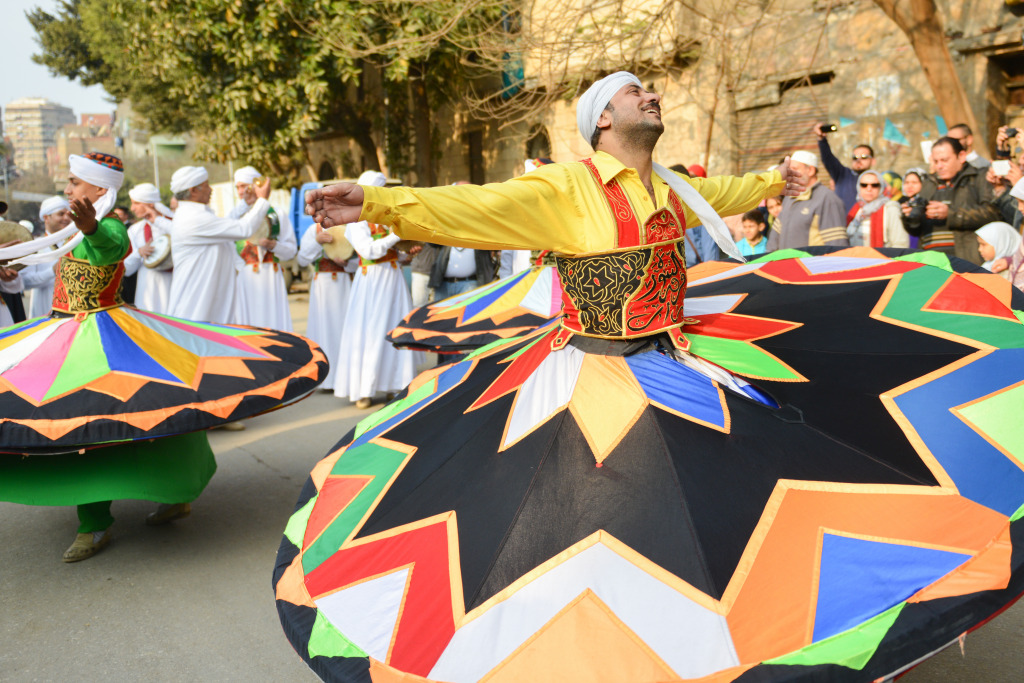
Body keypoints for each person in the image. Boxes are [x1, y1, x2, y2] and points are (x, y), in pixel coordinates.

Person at [0, 152, 329, 563]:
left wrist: (92, 229)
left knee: (154, 413)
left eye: (74, 182)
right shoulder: (71, 232)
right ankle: (96, 517)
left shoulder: (111, 227)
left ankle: (159, 500)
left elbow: (112, 250)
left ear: (99, 189)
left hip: (108, 336)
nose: (67, 189)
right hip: (65, 332)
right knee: (84, 428)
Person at [334, 171, 419, 409]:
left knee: (394, 328)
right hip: (371, 282)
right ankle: (365, 390)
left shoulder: (385, 217)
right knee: (370, 332)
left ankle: (395, 385)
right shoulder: (355, 220)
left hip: (393, 277)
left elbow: (391, 250)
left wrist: (406, 253)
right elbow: (369, 251)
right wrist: (395, 237)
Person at [166, 166, 271, 324]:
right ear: (193, 190)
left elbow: (225, 226)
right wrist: (262, 200)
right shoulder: (192, 218)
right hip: (195, 307)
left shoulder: (197, 214)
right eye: (207, 185)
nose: (211, 189)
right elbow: (244, 229)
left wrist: (245, 204)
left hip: (206, 304)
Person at [902, 136, 1000, 265]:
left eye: (944, 160)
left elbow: (993, 214)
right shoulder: (928, 183)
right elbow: (916, 230)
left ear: (961, 156)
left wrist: (951, 215)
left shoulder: (978, 178)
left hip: (966, 260)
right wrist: (910, 218)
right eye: (936, 161)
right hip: (931, 262)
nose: (939, 166)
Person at [230, 166, 296, 331]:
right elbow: (228, 248)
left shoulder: (276, 214)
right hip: (245, 280)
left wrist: (274, 246)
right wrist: (242, 269)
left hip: (271, 277)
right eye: (238, 187)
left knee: (273, 324)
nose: (240, 191)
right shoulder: (235, 216)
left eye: (244, 186)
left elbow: (291, 250)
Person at [296, 222, 356, 391]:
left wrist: (346, 264)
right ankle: (327, 379)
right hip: (322, 285)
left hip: (345, 284)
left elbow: (361, 260)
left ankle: (347, 378)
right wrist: (317, 242)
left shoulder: (351, 228)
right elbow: (302, 259)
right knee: (325, 330)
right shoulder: (313, 230)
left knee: (345, 330)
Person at [767, 150, 849, 250]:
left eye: (794, 169)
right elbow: (774, 237)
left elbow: (837, 244)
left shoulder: (827, 199)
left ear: (811, 170)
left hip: (811, 264)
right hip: (787, 264)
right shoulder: (790, 197)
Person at [122, 183, 174, 314]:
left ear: (150, 205)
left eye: (136, 203)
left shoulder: (174, 223)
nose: (132, 208)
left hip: (174, 284)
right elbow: (127, 269)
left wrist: (158, 220)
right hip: (147, 290)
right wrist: (139, 253)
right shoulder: (135, 230)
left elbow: (184, 237)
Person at [21, 196, 71, 318]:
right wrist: (52, 271)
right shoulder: (35, 246)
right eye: (61, 214)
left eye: (68, 214)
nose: (66, 218)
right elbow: (25, 282)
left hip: (72, 311)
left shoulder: (74, 243)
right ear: (46, 217)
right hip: (44, 310)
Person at [813, 123, 876, 212]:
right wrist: (822, 139)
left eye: (864, 157)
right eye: (855, 158)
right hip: (844, 223)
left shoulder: (878, 180)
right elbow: (828, 158)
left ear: (873, 161)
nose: (859, 160)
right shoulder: (843, 175)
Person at [845, 170, 909, 249]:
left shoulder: (890, 208)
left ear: (881, 187)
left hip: (882, 259)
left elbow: (900, 244)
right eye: (864, 185)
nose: (869, 189)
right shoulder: (856, 210)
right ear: (858, 187)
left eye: (874, 185)